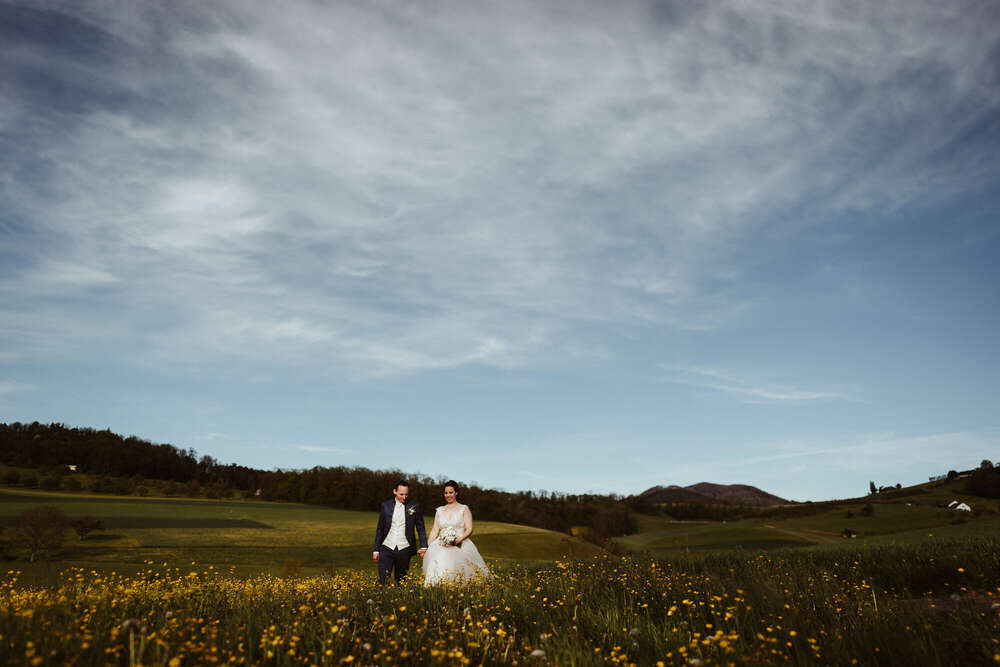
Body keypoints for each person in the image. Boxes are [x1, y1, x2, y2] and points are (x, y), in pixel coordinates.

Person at [422, 480, 490, 585]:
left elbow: (469, 529)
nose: (448, 495)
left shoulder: (463, 509)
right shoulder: (439, 510)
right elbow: (435, 530)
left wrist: (458, 540)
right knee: (439, 566)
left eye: (450, 492)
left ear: (456, 493)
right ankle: (436, 590)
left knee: (462, 572)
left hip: (460, 543)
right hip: (442, 544)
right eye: (446, 493)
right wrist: (428, 546)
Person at [373, 479, 427, 584]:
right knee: (383, 581)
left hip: (405, 548)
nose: (404, 497)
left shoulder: (414, 506)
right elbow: (380, 529)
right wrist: (376, 550)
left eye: (406, 494)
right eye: (401, 494)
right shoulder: (385, 506)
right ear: (395, 491)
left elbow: (420, 528)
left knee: (401, 582)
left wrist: (424, 546)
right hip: (386, 547)